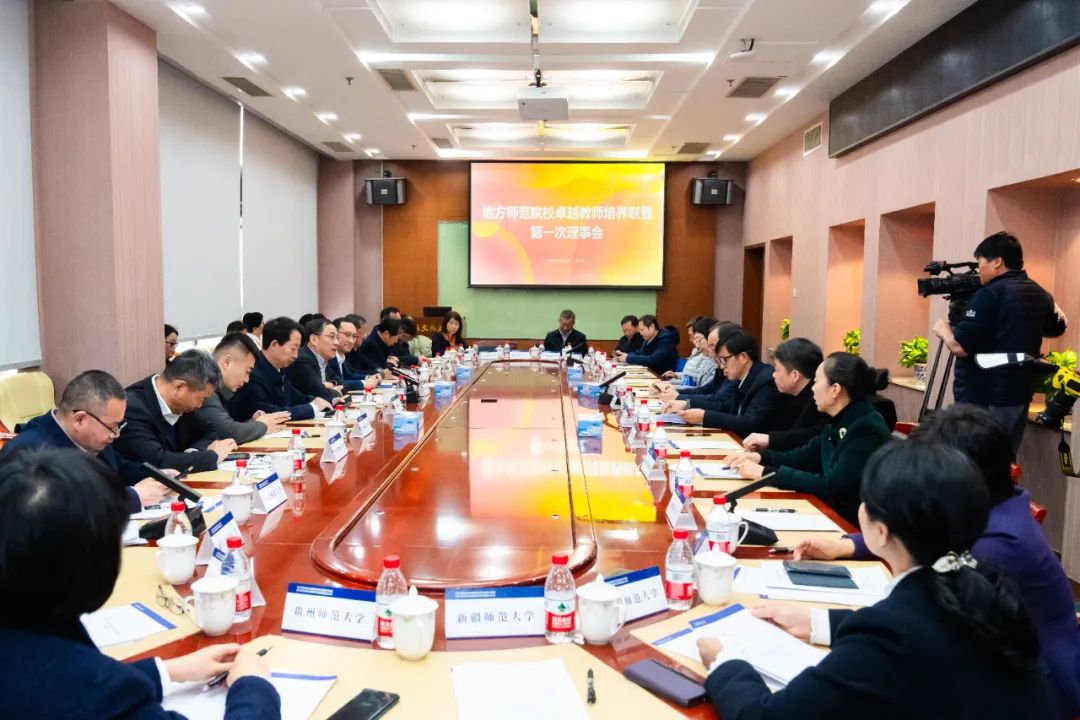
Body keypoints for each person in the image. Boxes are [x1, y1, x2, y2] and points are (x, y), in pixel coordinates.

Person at [697, 440, 1056, 719]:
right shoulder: (984, 583)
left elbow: (765, 717)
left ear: (881, 531)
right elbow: (926, 632)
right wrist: (817, 622)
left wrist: (726, 662)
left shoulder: (891, 634)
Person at [792, 404, 1080, 716]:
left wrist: (827, 624)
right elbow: (919, 526)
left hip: (1023, 694)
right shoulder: (993, 507)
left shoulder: (996, 547)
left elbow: (918, 628)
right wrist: (847, 546)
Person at [0, 448, 280, 720]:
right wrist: (253, 686)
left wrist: (167, 671)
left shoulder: (29, 631)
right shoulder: (95, 691)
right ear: (91, 564)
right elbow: (77, 688)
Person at [932, 231, 1068, 452]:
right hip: (1018, 396)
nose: (979, 270)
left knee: (976, 461)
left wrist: (944, 331)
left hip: (983, 398)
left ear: (997, 262)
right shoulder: (1040, 293)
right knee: (1004, 460)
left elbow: (961, 347)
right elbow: (1057, 328)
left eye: (981, 263)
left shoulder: (988, 295)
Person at [727, 352, 891, 524]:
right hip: (828, 512)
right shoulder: (839, 419)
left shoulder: (865, 427)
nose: (812, 388)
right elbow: (802, 457)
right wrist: (760, 457)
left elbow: (831, 485)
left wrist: (765, 473)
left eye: (817, 382)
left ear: (835, 389)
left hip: (853, 524)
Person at [0, 370, 170, 512]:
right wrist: (131, 497)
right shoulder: (29, 453)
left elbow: (117, 468)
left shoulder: (92, 438)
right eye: (112, 427)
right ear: (80, 419)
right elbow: (58, 510)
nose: (116, 434)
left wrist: (160, 476)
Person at [114, 350, 236, 473]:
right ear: (179, 387)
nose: (199, 405)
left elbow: (210, 431)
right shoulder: (132, 408)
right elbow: (157, 462)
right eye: (201, 398)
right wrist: (211, 456)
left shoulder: (182, 405)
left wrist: (192, 452)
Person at [676, 331, 787, 436]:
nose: (722, 366)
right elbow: (726, 407)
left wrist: (704, 416)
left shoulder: (765, 381)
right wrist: (690, 406)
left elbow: (750, 423)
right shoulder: (740, 377)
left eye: (725, 360)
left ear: (743, 357)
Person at [228, 317, 333, 422]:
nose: (296, 355)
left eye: (298, 349)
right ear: (274, 345)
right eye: (293, 349)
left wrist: (324, 401)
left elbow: (295, 397)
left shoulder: (279, 368)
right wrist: (312, 408)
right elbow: (268, 412)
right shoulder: (253, 372)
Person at [193, 333, 290, 446]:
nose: (247, 380)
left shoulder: (223, 390)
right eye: (247, 371)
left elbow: (229, 424)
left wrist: (253, 423)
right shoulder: (203, 386)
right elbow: (229, 431)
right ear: (227, 362)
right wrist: (262, 425)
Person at [742, 337, 826, 452]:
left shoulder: (819, 401)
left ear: (795, 375)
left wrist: (771, 440)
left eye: (777, 369)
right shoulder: (786, 394)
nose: (773, 375)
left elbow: (811, 438)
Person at [286, 318, 344, 405]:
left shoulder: (323, 358)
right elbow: (321, 394)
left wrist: (332, 384)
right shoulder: (302, 360)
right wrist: (334, 391)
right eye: (331, 337)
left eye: (337, 338)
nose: (336, 343)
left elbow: (341, 381)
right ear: (314, 339)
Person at [662, 316, 717, 388]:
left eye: (698, 339)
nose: (695, 343)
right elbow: (691, 380)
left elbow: (702, 390)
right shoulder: (704, 356)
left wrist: (671, 388)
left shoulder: (713, 361)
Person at [331, 316, 381, 392]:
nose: (351, 341)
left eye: (354, 336)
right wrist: (364, 383)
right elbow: (337, 383)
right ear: (335, 334)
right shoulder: (329, 357)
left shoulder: (342, 355)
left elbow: (349, 375)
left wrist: (369, 378)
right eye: (347, 335)